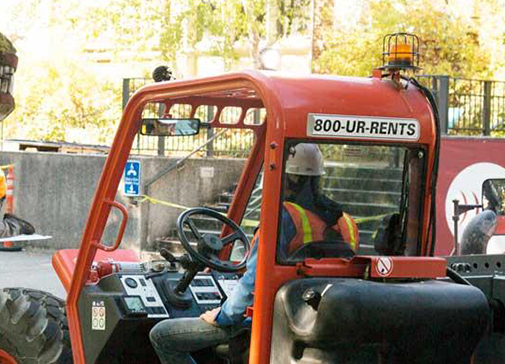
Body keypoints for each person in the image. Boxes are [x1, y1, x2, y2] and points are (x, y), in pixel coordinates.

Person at [148, 144, 358, 364]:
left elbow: (254, 279)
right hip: (325, 320)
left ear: (286, 179)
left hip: (270, 318)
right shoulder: (346, 222)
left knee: (162, 335)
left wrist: (223, 315)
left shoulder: (282, 219)